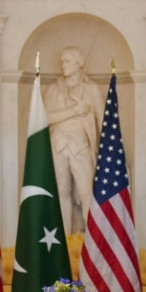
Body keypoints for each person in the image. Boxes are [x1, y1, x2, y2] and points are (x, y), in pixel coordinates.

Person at [43, 46, 105, 234]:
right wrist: (73, 111)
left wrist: (104, 151)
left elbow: (103, 121)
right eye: (62, 61)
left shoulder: (91, 90)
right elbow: (45, 118)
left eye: (67, 61)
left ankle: (94, 240)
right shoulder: (54, 89)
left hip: (82, 147)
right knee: (62, 193)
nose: (63, 65)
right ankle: (64, 238)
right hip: (58, 146)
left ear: (79, 64)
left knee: (87, 193)